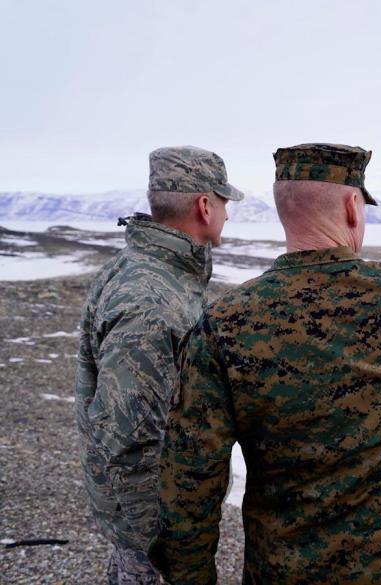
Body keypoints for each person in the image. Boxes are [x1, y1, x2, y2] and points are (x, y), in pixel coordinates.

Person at [149, 143, 381, 584]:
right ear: (352, 208)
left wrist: (192, 577)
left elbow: (191, 475)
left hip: (286, 570)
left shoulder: (225, 323)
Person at [73, 145, 243, 584]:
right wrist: (166, 547)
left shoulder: (154, 272)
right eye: (224, 202)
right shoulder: (150, 297)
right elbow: (129, 437)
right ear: (206, 206)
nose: (226, 213)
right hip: (156, 538)